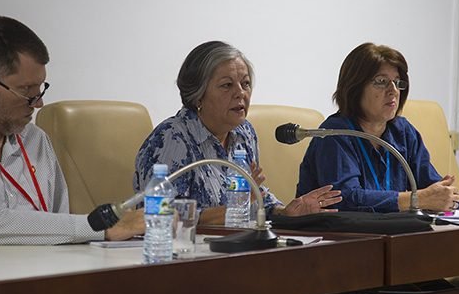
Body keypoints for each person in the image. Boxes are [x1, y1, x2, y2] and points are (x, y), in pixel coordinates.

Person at [0, 16, 144, 253]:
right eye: (28, 92)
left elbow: (58, 224)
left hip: (36, 277)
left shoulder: (35, 139)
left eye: (41, 89)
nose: (39, 103)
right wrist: (98, 226)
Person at [133, 41, 342, 224]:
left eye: (246, 84)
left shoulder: (244, 132)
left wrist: (285, 212)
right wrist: (236, 210)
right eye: (226, 85)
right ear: (198, 96)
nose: (241, 93)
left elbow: (255, 197)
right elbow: (158, 215)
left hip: (235, 247)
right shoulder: (171, 139)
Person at [297, 42, 459, 212]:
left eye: (397, 82)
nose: (393, 90)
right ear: (355, 87)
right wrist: (416, 199)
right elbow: (345, 199)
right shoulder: (335, 133)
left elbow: (431, 188)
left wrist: (448, 197)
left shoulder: (402, 131)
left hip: (396, 235)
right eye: (381, 81)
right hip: (344, 238)